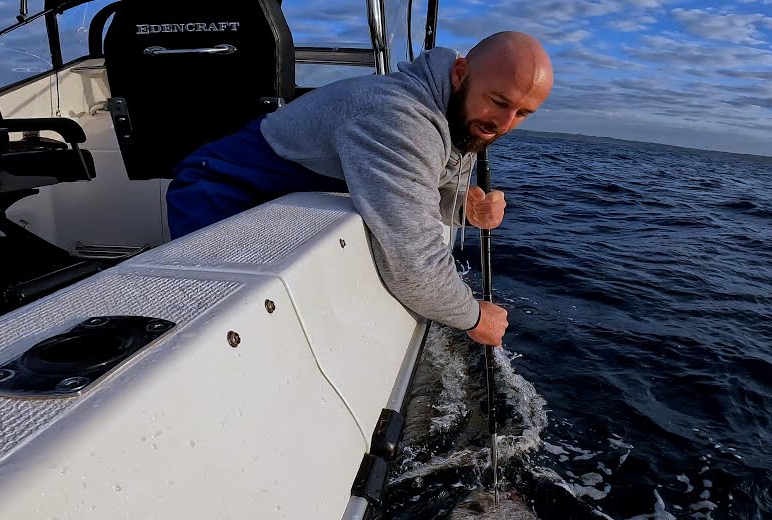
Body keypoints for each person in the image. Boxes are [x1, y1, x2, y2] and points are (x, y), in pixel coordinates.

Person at [165, 31, 553, 347]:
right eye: (498, 102)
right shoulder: (398, 119)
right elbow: (412, 263)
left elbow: (427, 189)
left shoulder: (454, 114)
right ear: (459, 74)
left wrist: (464, 209)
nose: (503, 123)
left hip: (283, 202)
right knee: (205, 332)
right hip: (219, 190)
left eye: (522, 114)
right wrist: (472, 316)